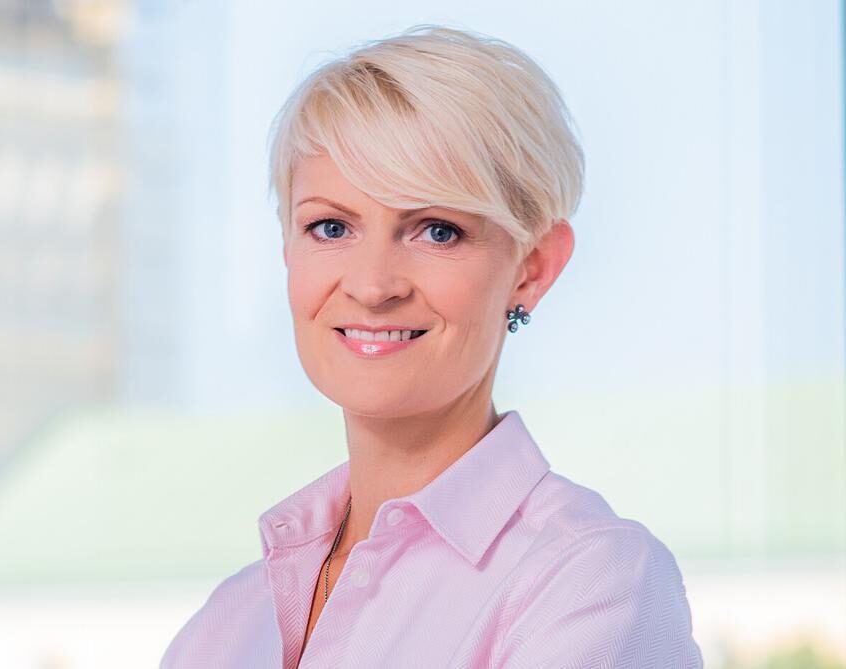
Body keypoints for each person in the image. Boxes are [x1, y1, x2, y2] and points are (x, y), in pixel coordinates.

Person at [160, 23, 703, 669]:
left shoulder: (586, 581)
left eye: (437, 230)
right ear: (287, 249)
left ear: (531, 269)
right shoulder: (227, 622)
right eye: (330, 227)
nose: (371, 286)